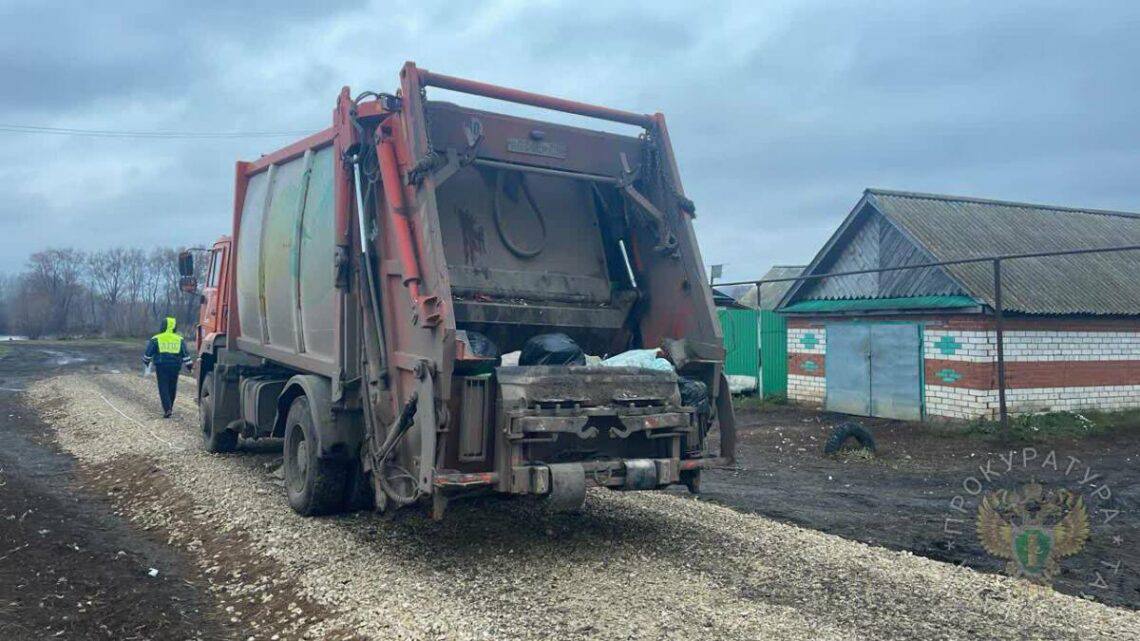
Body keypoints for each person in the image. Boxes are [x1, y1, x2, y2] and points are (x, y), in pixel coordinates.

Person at [143, 316, 192, 418]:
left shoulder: (156, 338)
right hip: (175, 366)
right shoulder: (180, 339)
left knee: (163, 387)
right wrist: (189, 366)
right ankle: (170, 406)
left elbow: (148, 353)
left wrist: (146, 362)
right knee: (172, 387)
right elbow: (185, 354)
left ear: (163, 326)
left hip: (161, 366)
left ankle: (167, 408)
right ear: (174, 327)